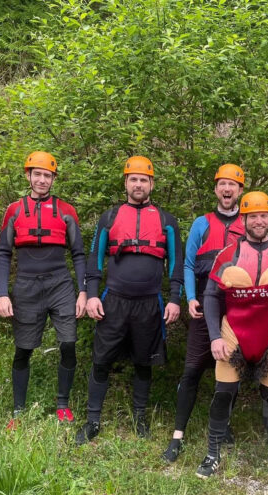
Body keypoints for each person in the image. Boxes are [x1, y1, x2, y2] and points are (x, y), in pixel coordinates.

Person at [195, 191, 268, 486]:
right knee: (223, 393)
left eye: (264, 215)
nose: (259, 221)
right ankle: (212, 453)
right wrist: (214, 337)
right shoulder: (227, 254)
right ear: (243, 219)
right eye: (253, 216)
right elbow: (210, 295)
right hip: (233, 332)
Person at [76, 155, 183, 443]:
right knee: (101, 360)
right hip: (113, 301)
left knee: (143, 362)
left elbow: (176, 263)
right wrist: (92, 296)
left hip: (149, 303)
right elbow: (95, 259)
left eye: (143, 180)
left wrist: (174, 298)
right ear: (126, 182)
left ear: (152, 184)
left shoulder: (166, 221)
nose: (138, 184)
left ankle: (140, 419)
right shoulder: (109, 217)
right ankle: (92, 420)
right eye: (133, 179)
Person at [162, 164, 245, 463]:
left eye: (232, 185)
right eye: (222, 184)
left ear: (239, 191)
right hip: (202, 307)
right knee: (192, 370)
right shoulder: (202, 223)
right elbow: (186, 265)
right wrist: (191, 298)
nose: (226, 189)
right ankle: (177, 435)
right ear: (215, 189)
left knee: (231, 371)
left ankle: (223, 426)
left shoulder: (249, 223)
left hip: (235, 310)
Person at [0, 151, 87, 427]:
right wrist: (1, 293)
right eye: (37, 174)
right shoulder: (14, 210)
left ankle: (62, 404)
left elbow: (79, 254)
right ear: (28, 175)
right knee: (23, 349)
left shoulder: (66, 210)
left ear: (53, 178)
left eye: (47, 175)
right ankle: (18, 412)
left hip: (60, 282)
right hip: (26, 284)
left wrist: (82, 291)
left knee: (69, 344)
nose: (42, 180)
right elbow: (2, 252)